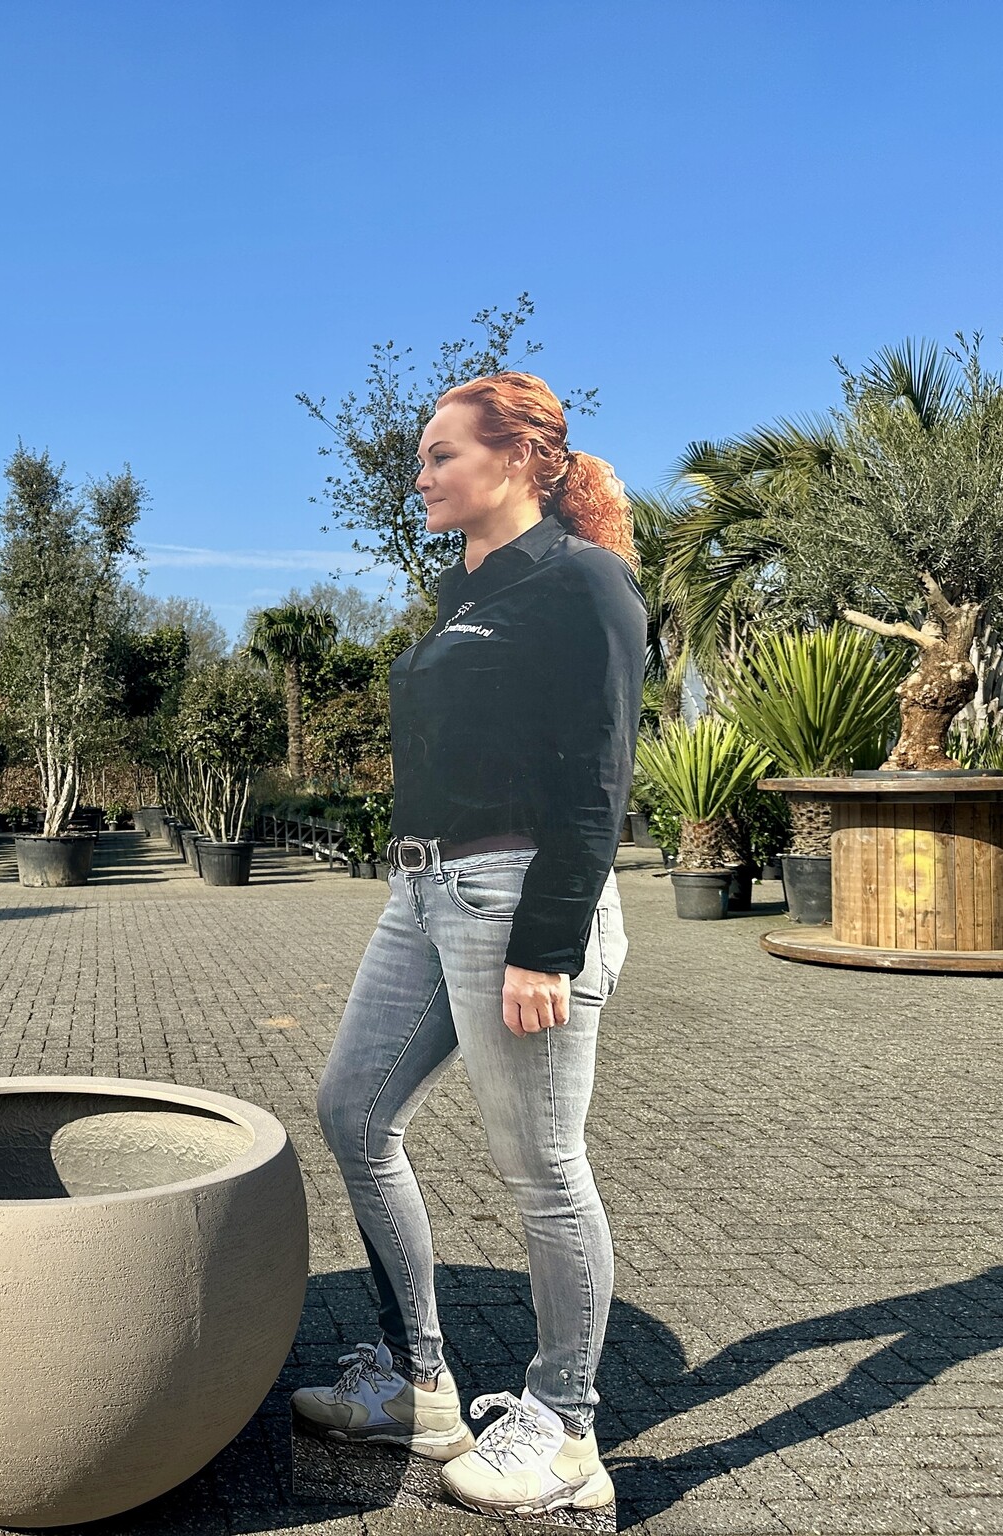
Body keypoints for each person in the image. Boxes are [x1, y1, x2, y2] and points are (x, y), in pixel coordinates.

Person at [290, 371, 647, 1520]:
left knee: (539, 1167)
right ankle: (419, 1385)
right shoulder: (463, 590)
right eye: (421, 456)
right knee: (352, 1113)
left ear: (520, 458)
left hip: (514, 900)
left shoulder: (581, 581)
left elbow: (596, 781)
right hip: (421, 891)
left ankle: (566, 1432)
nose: (421, 475)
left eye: (441, 453)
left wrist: (546, 946)